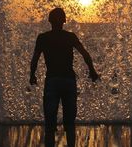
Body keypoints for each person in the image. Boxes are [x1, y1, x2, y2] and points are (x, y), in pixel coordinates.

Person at [29, 8, 100, 147]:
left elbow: (35, 59)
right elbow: (85, 54)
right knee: (70, 123)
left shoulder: (43, 38)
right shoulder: (70, 37)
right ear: (64, 21)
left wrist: (32, 75)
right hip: (68, 81)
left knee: (50, 123)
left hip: (52, 81)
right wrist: (92, 71)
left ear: (49, 21)